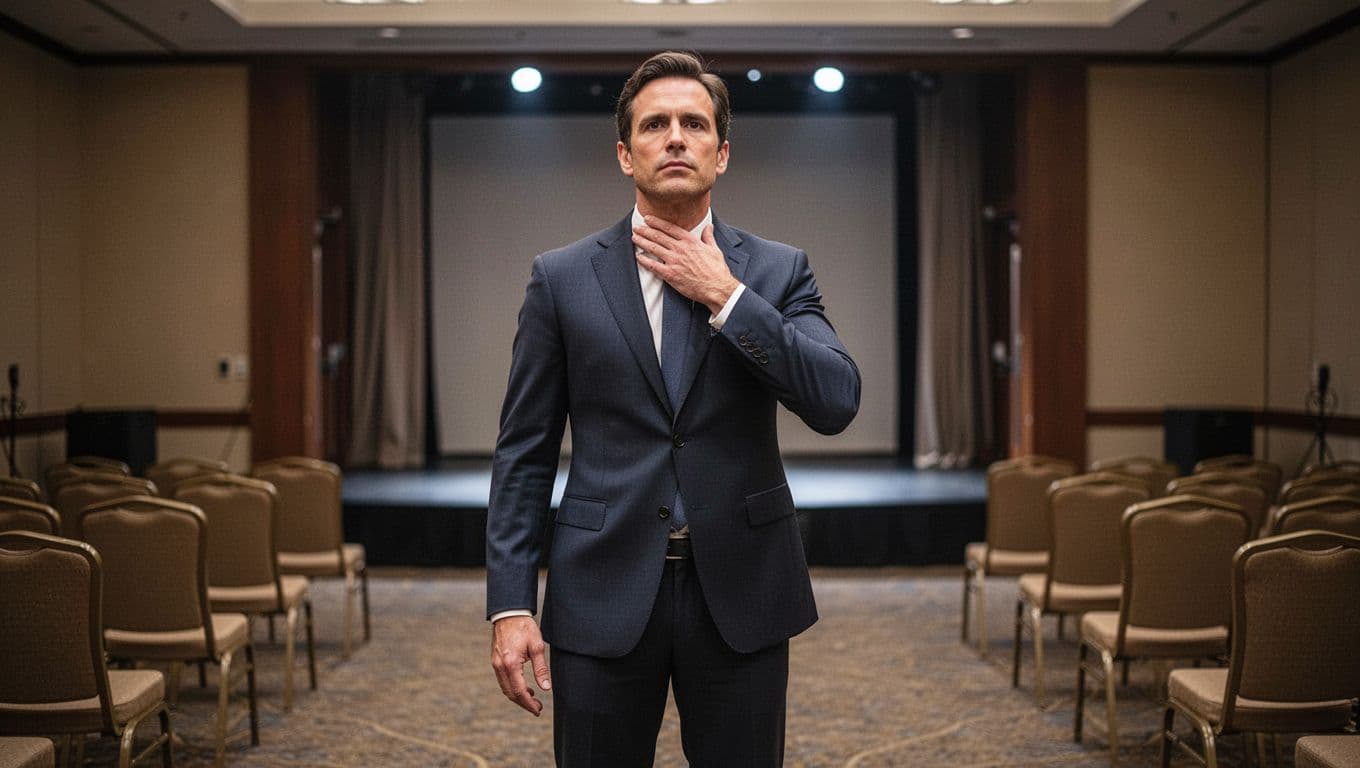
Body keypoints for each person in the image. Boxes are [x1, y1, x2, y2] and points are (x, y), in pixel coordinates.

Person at [486, 50, 861, 766]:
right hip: (600, 586)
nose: (677, 137)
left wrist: (727, 296)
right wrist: (510, 605)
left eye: (694, 123)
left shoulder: (778, 272)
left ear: (722, 153)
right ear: (626, 155)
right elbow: (524, 453)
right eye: (656, 125)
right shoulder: (561, 278)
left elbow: (836, 399)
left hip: (743, 589)